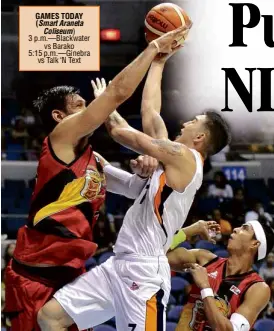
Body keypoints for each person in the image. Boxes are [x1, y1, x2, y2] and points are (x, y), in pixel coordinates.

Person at [38, 39, 231, 331]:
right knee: (49, 317)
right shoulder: (172, 160)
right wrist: (159, 62)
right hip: (118, 264)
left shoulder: (186, 158)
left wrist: (105, 102)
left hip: (144, 271)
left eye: (193, 122)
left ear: (200, 138)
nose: (185, 124)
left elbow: (119, 131)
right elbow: (150, 112)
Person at [5, 26, 188, 331]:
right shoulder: (59, 139)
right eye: (79, 106)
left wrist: (145, 169)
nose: (89, 110)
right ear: (59, 117)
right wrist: (154, 48)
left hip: (71, 274)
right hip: (36, 275)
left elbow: (132, 189)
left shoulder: (93, 159)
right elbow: (117, 94)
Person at [167, 220, 274, 331]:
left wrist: (205, 287)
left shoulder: (257, 288)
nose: (235, 229)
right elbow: (156, 255)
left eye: (245, 228)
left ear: (255, 244)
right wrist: (189, 231)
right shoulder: (203, 258)